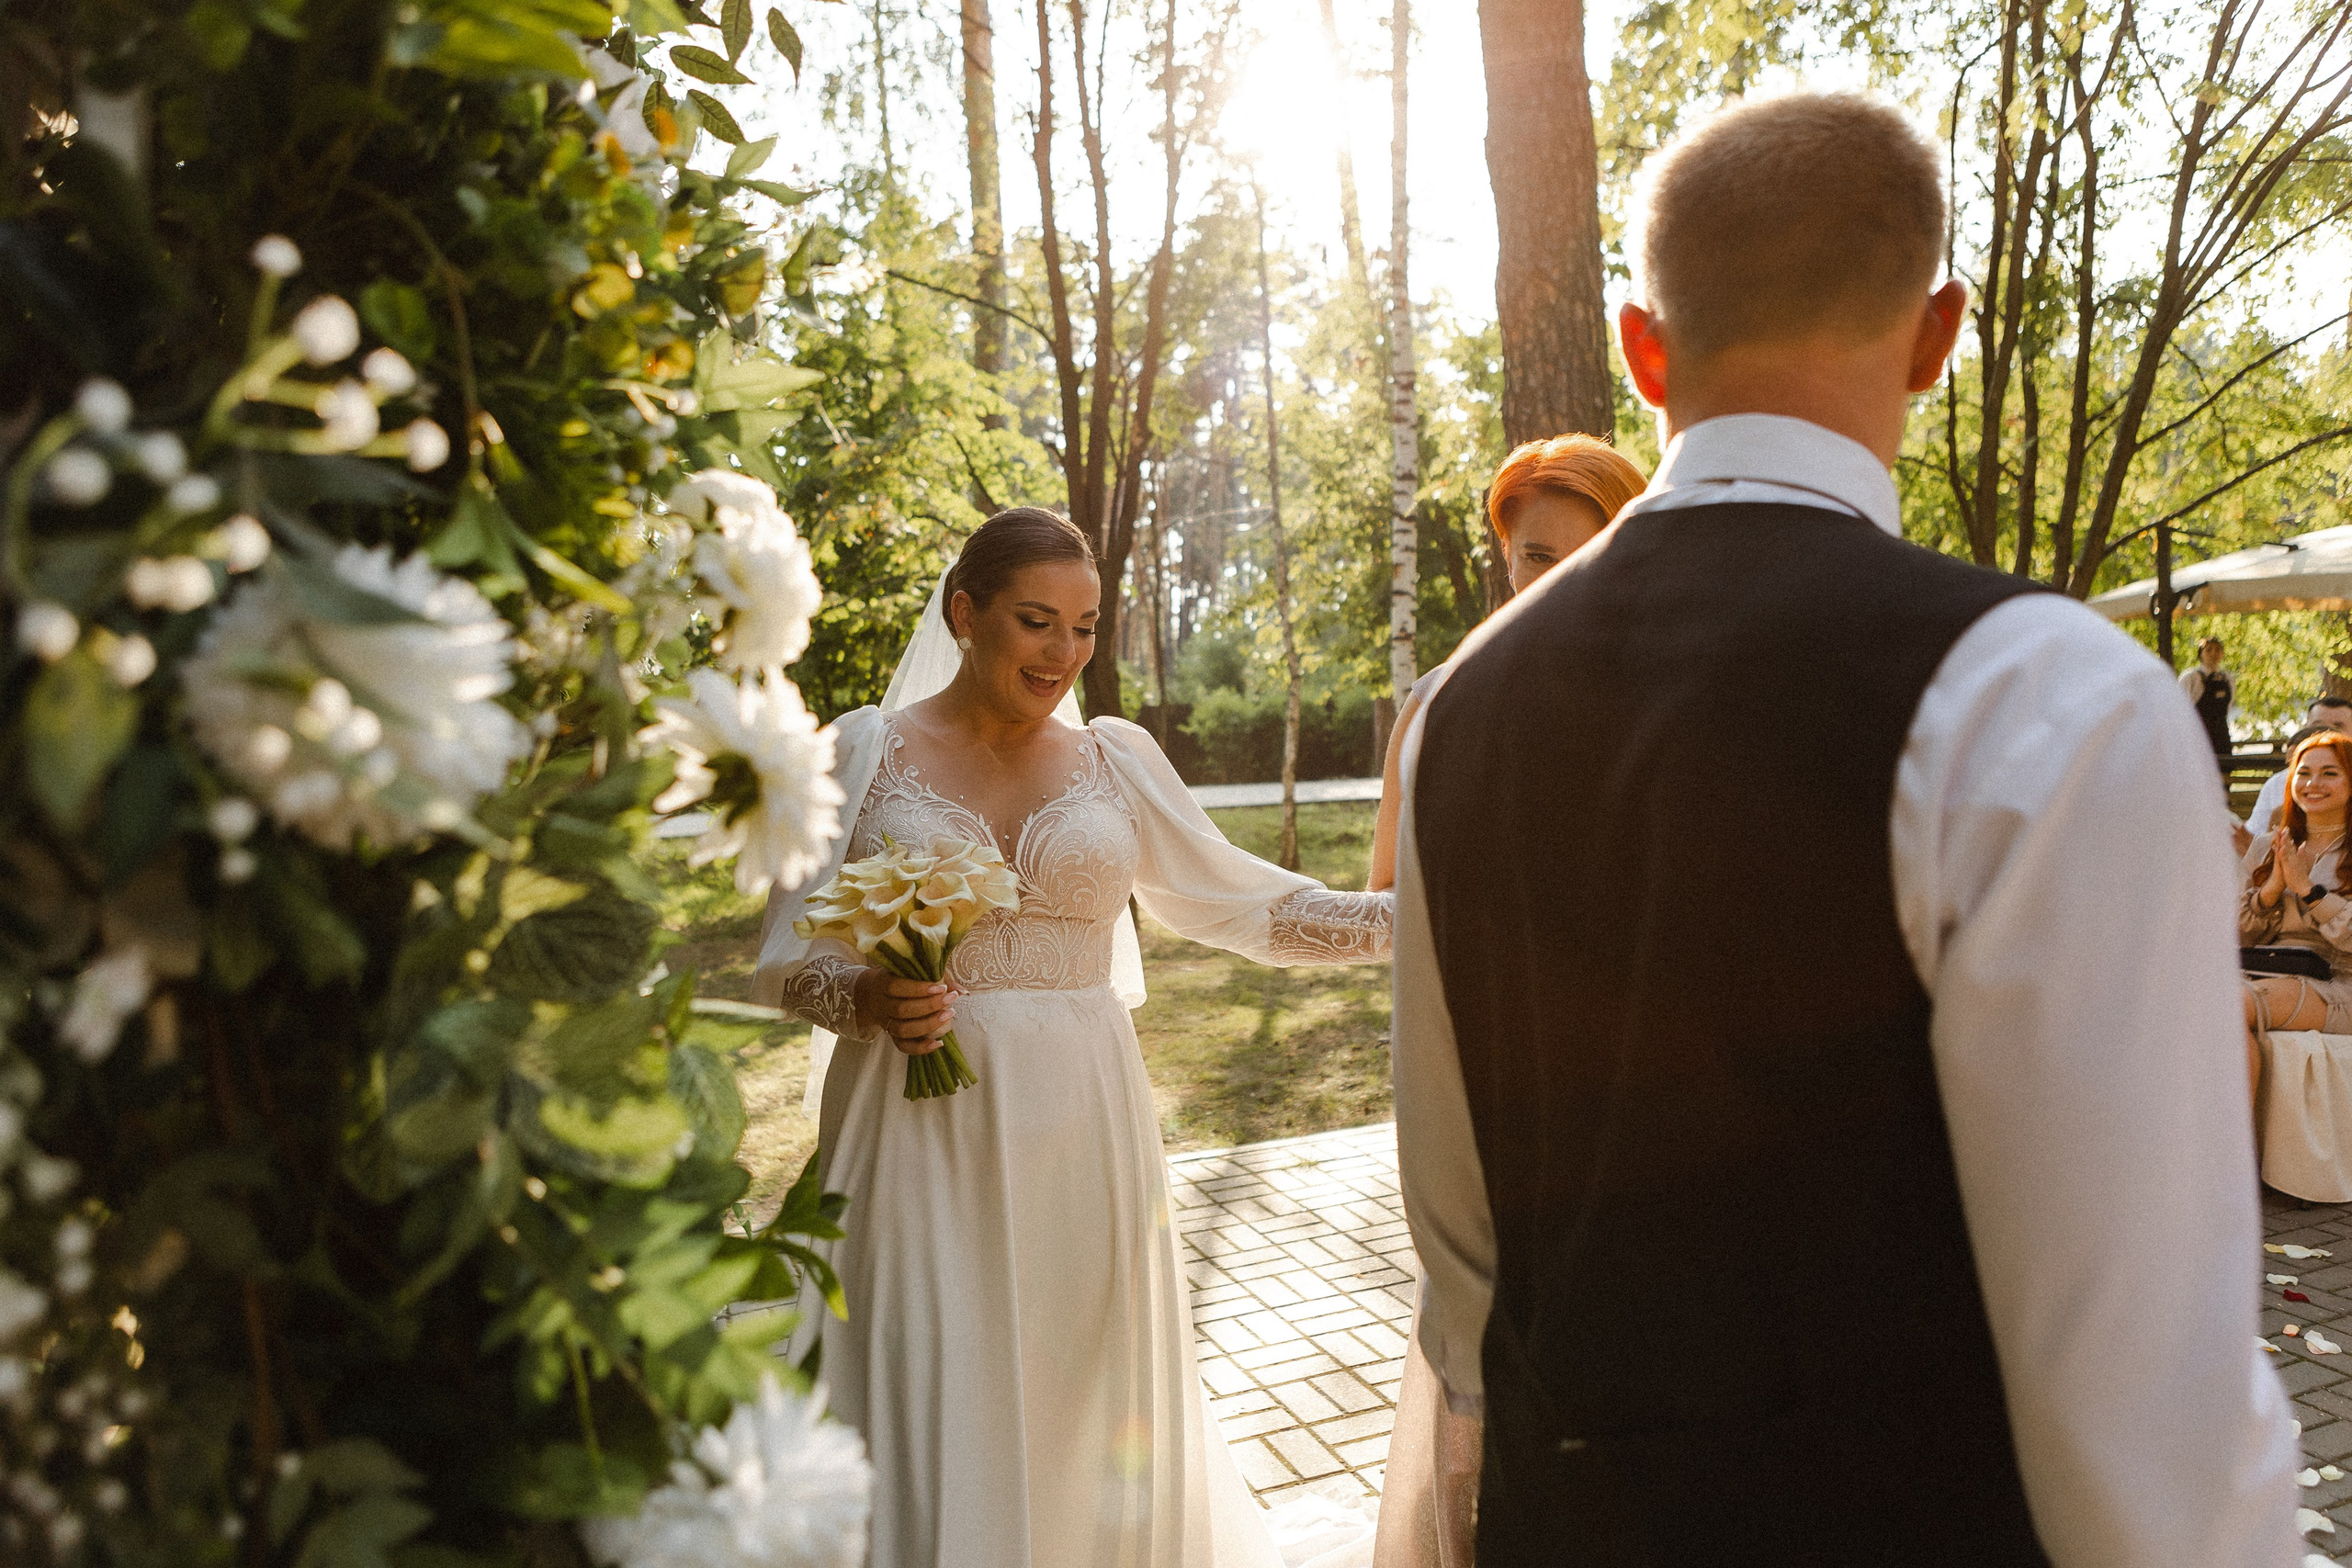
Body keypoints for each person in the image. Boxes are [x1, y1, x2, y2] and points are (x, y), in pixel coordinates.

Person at [1389, 91, 2299, 1565]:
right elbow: (2144, 1401)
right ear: (1940, 336)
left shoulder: (1461, 713)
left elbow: (1468, 1253)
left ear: (1642, 346)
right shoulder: (2048, 697)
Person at [752, 507, 1392, 1568]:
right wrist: (865, 998)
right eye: (1035, 622)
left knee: (1078, 1376)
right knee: (928, 1359)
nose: (1063, 654)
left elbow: (1249, 909)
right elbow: (780, 955)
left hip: (1083, 1124)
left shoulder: (1115, 761)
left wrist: (1423, 918)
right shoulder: (864, 750)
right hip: (916, 1128)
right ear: (966, 614)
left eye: (1085, 629)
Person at [1365, 434, 1646, 895]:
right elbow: (1386, 899)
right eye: (1538, 556)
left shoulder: (1674, 694)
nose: (1561, 581)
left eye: (1593, 556)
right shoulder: (1435, 705)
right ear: (1506, 555)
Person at [2241, 729, 2352, 1042]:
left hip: (2340, 981)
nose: (2312, 784)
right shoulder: (2266, 846)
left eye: (2329, 773)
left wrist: (2307, 890)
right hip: (2264, 969)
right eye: (2303, 773)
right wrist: (2271, 889)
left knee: (2230, 1007)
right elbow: (2230, 934)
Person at [2245, 696, 2352, 835]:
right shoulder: (2278, 783)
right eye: (2317, 725)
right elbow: (2253, 835)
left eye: (2337, 727)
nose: (2324, 732)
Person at [2181, 636, 2237, 759]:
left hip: (2221, 735)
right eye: (2209, 650)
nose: (2213, 653)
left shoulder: (2228, 679)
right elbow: (2180, 709)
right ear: (2200, 654)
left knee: (2224, 773)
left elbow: (2228, 707)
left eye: (2217, 650)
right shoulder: (2191, 677)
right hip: (2197, 735)